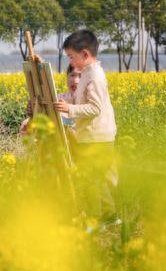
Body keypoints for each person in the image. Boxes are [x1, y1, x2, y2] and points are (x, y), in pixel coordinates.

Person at [55, 30, 118, 223]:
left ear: (84, 54)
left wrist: (70, 109)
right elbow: (80, 99)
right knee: (97, 179)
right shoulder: (88, 74)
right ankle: (109, 216)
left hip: (97, 136)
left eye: (72, 57)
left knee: (91, 179)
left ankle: (95, 220)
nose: (71, 62)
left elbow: (95, 108)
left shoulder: (95, 76)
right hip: (95, 135)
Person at [19, 64, 81, 136]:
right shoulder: (56, 98)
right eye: (72, 75)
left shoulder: (90, 104)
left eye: (81, 76)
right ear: (67, 77)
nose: (75, 81)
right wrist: (33, 114)